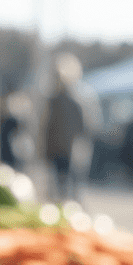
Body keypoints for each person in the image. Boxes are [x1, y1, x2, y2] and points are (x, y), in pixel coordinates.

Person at [43, 53, 90, 201]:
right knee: (61, 189)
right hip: (59, 151)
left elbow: (84, 128)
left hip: (70, 151)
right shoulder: (53, 101)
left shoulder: (75, 101)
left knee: (68, 189)